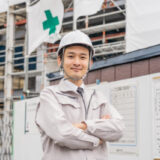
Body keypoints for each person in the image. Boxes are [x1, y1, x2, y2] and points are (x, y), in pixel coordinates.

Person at [35, 30, 125, 160]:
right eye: (71, 56)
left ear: (90, 63)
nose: (77, 62)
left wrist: (85, 126)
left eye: (83, 57)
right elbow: (62, 134)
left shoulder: (98, 97)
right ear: (60, 60)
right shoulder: (49, 96)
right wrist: (96, 140)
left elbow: (119, 129)